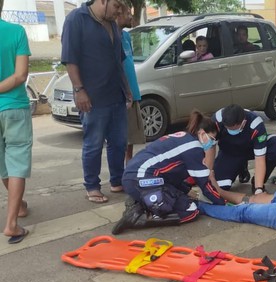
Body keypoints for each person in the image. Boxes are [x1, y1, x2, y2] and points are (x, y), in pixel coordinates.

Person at [61, 0, 131, 203]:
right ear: (103, 1)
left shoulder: (113, 24)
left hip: (116, 94)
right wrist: (79, 90)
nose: (119, 11)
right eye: (117, 5)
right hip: (92, 97)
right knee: (93, 143)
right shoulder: (76, 19)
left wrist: (126, 89)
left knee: (119, 142)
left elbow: (119, 60)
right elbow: (70, 59)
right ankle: (92, 186)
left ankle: (117, 181)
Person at [112, 111, 225, 234]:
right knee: (190, 210)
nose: (212, 144)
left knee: (179, 196)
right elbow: (205, 183)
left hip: (133, 177)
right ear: (202, 133)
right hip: (141, 179)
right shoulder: (193, 148)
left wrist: (186, 190)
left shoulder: (184, 137)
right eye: (212, 139)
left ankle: (140, 201)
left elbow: (170, 175)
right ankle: (139, 218)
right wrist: (221, 203)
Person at [0, 6, 33, 244]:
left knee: (3, 163)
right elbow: (21, 75)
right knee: (16, 161)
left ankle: (19, 205)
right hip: (14, 106)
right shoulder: (16, 31)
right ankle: (11, 224)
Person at [211, 104, 276, 195]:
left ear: (243, 122)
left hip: (250, 149)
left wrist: (259, 189)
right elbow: (210, 148)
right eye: (228, 128)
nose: (231, 131)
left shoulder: (256, 124)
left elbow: (260, 159)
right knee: (219, 187)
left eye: (234, 128)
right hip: (229, 152)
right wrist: (209, 172)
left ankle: (256, 181)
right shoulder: (217, 120)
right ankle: (241, 167)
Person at [117, 3, 145, 163]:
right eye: (128, 13)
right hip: (120, 94)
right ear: (118, 14)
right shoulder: (110, 36)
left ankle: (129, 165)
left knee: (132, 135)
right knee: (121, 136)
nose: (131, 17)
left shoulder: (126, 36)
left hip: (133, 92)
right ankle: (120, 171)